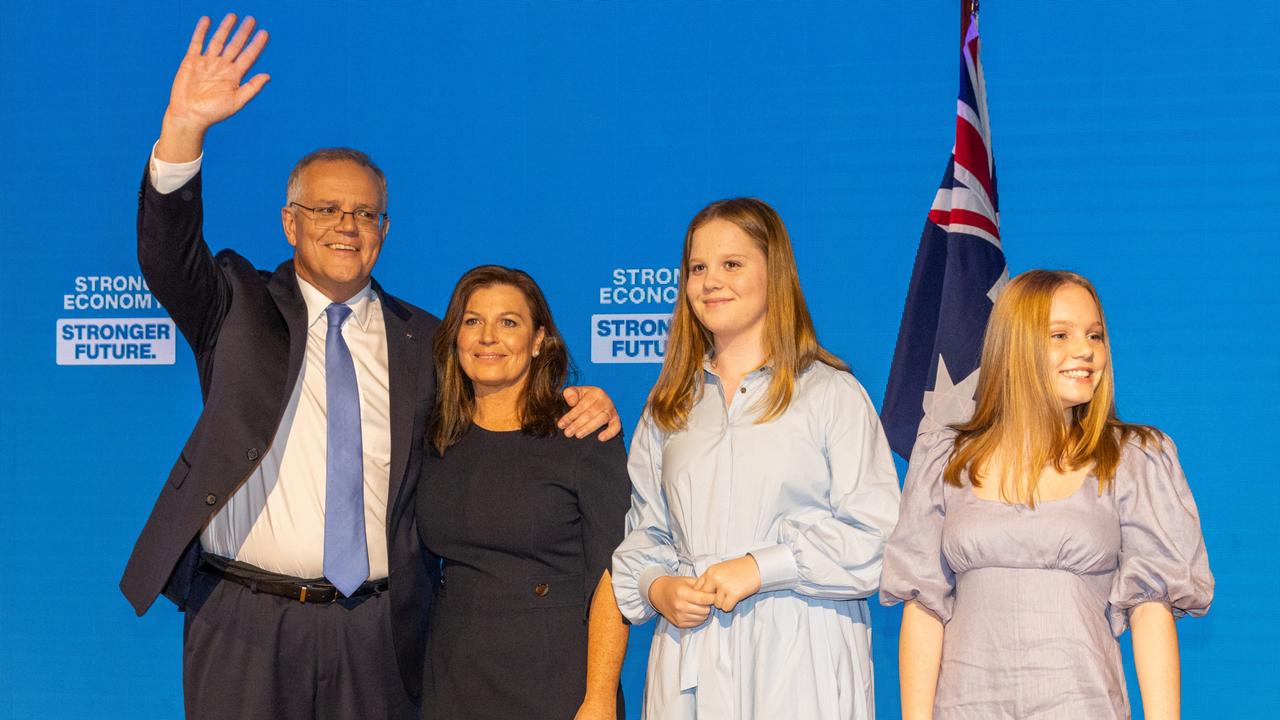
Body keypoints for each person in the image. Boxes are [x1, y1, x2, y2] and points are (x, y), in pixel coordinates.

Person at [118, 15, 620, 719]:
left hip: (378, 635)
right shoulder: (234, 304)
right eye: (326, 209)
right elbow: (166, 252)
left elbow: (502, 410)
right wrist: (182, 132)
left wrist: (582, 402)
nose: (346, 225)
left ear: (384, 232)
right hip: (243, 621)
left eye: (365, 213)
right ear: (289, 223)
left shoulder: (433, 339)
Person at [611, 198, 901, 719]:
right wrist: (658, 588)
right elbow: (645, 533)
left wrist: (763, 568)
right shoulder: (668, 406)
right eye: (698, 268)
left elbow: (878, 537)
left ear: (776, 272)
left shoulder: (830, 394)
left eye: (732, 264)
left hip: (800, 655)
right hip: (688, 663)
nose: (710, 281)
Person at [880, 269, 1214, 720]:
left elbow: (1150, 609)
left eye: (1095, 336)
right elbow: (923, 608)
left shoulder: (1133, 457)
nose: (1085, 351)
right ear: (1014, 346)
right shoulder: (945, 458)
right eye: (1061, 334)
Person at [417, 266, 631, 719]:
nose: (488, 337)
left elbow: (614, 575)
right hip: (454, 677)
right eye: (473, 321)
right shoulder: (435, 437)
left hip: (554, 679)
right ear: (455, 336)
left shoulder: (582, 434)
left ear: (538, 341)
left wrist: (600, 698)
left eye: (508, 322)